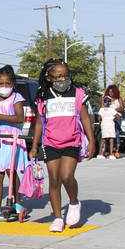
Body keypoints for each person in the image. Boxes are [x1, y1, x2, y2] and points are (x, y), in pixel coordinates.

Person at [31, 60, 96, 232]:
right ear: (49, 78)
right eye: (58, 76)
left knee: (67, 176)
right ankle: (58, 217)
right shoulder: (43, 95)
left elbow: (85, 119)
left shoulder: (78, 93)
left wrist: (92, 141)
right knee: (54, 180)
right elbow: (39, 123)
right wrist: (34, 146)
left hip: (72, 141)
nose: (63, 79)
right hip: (50, 143)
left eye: (66, 75)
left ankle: (74, 202)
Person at [0, 66, 29, 222]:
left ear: (13, 84)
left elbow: (19, 118)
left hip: (13, 139)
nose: (4, 87)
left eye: (7, 84)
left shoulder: (16, 98)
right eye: (1, 84)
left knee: (11, 172)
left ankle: (18, 202)